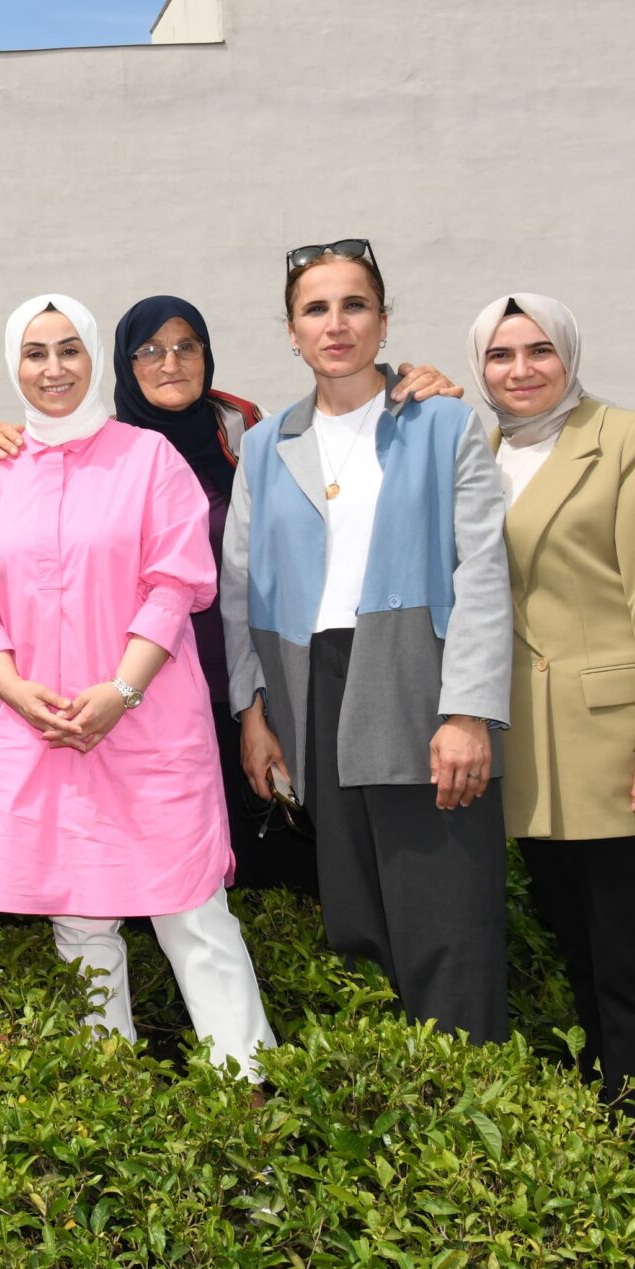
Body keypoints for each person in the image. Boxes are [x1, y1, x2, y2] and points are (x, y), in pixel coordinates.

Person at [0, 306, 464, 894]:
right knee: (150, 870)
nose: (170, 362)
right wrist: (14, 440)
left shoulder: (260, 443)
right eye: (148, 351)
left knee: (283, 855)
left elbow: (347, 456)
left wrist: (406, 387)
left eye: (186, 346)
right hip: (139, 697)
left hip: (254, 682)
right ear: (121, 366)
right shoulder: (103, 454)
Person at [0, 292, 276, 1074]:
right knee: (80, 922)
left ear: (95, 360)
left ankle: (251, 1098)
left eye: (68, 351)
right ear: (13, 365)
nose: (53, 369)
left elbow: (177, 583)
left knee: (192, 912)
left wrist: (118, 691)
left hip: (148, 722)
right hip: (39, 723)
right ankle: (112, 1110)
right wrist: (14, 692)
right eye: (34, 352)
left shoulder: (148, 458)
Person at [221, 239, 513, 1042]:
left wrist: (468, 712)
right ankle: (387, 1128)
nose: (336, 323)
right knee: (355, 923)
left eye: (354, 305)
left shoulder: (446, 422)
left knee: (448, 925)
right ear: (291, 330)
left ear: (384, 321)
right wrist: (252, 709)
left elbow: (486, 574)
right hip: (311, 692)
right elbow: (238, 589)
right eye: (316, 308)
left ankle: (472, 1132)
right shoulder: (263, 444)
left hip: (421, 687)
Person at [470, 292, 635, 1099]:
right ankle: (612, 1126)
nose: (521, 369)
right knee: (579, 949)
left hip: (624, 747)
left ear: (570, 353)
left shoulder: (630, 441)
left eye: (539, 350)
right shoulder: (485, 452)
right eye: (501, 355)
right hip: (535, 755)